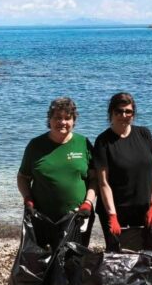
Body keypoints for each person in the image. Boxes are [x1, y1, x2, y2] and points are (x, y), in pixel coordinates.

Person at [17, 97, 96, 249]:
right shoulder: (35, 145)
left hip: (77, 216)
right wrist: (28, 199)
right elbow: (22, 177)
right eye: (57, 117)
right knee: (41, 259)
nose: (62, 122)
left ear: (74, 120)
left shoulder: (83, 143)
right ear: (50, 119)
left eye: (67, 118)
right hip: (41, 217)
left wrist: (88, 203)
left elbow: (94, 179)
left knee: (74, 258)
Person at [94, 92, 152, 251]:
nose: (123, 115)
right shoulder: (103, 141)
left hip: (145, 208)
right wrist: (112, 215)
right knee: (119, 258)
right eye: (118, 111)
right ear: (111, 113)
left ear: (133, 114)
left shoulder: (144, 134)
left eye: (128, 111)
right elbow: (103, 183)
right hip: (116, 211)